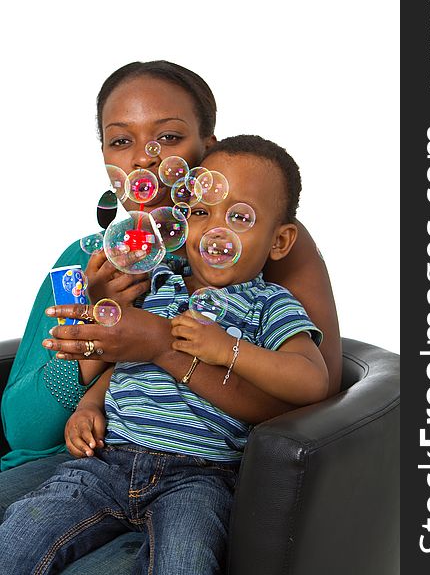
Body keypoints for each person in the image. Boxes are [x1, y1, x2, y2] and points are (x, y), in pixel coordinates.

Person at [0, 61, 340, 494]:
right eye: (121, 141)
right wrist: (93, 336)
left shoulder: (261, 246)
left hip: (197, 477)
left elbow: (315, 403)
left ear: (207, 150)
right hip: (76, 464)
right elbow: (24, 434)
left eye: (169, 137)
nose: (146, 157)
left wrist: (161, 343)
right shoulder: (83, 260)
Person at [0, 135, 328, 574]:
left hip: (200, 476)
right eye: (200, 212)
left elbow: (312, 380)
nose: (215, 231)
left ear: (280, 241)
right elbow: (121, 365)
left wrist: (227, 349)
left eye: (239, 218)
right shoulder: (159, 282)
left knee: (186, 561)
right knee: (21, 531)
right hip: (107, 461)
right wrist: (88, 406)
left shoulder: (270, 305)